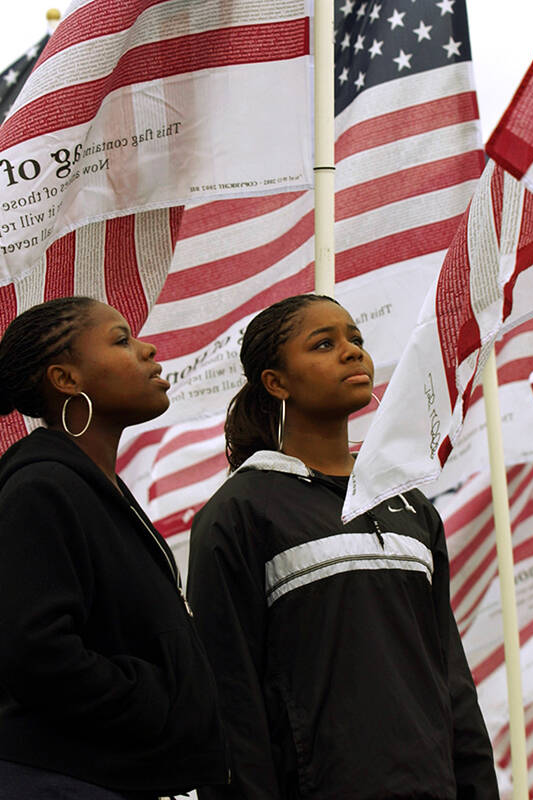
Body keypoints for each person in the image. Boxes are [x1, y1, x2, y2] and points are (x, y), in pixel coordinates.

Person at [187, 294, 498, 800]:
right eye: (324, 344)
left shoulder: (412, 508)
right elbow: (229, 702)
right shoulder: (240, 511)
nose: (352, 352)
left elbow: (449, 676)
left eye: (355, 339)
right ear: (276, 381)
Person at [0, 296, 228, 799]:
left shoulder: (94, 491)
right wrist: (161, 698)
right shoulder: (40, 488)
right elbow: (30, 653)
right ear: (66, 379)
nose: (147, 349)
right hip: (58, 780)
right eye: (121, 340)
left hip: (107, 776)